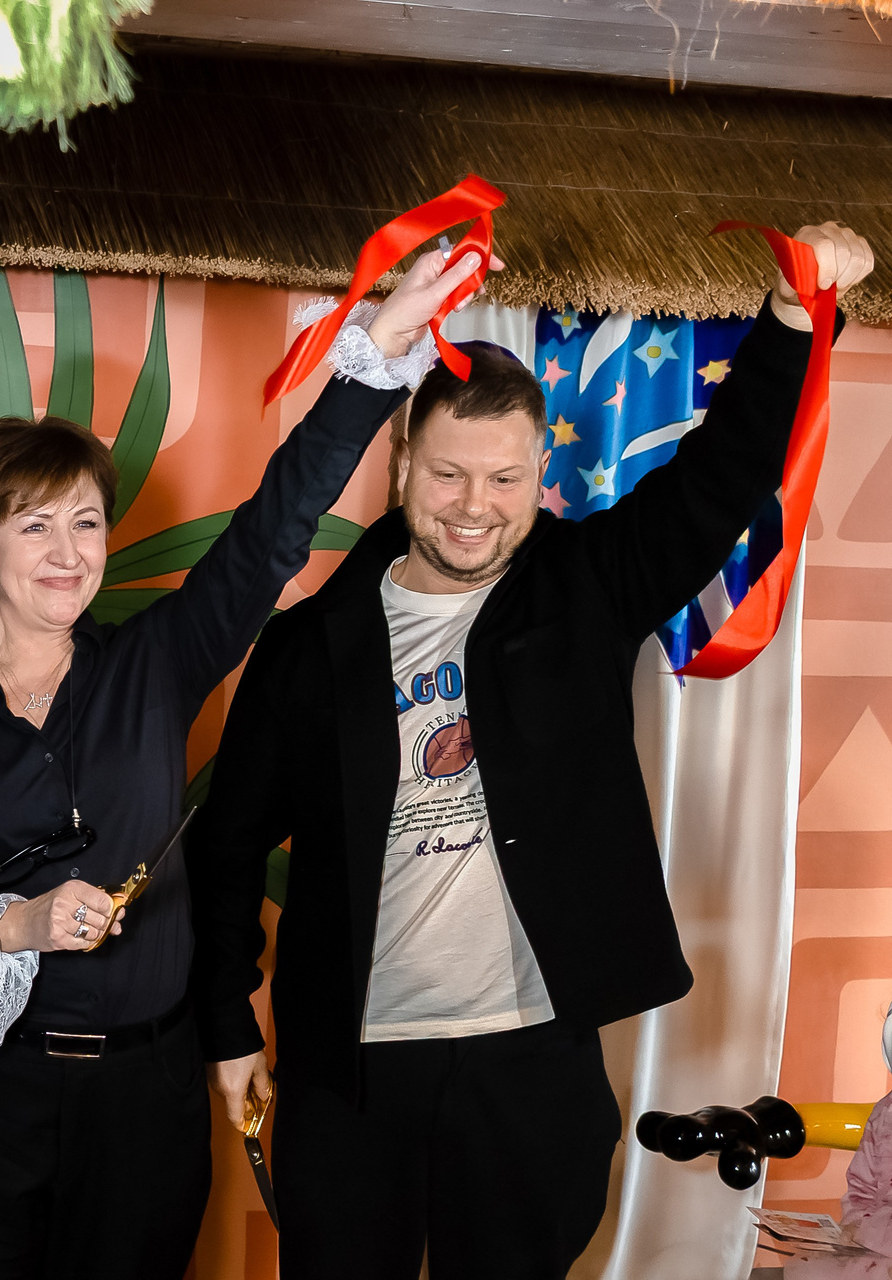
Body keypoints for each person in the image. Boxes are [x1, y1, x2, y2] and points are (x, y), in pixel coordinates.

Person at [189, 223, 874, 1280]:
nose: (475, 507)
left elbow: (721, 477)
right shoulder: (308, 645)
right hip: (349, 1070)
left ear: (540, 468)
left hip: (530, 1064)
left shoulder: (587, 586)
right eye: (449, 475)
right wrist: (229, 1021)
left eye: (505, 478)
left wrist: (791, 316)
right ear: (402, 461)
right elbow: (226, 845)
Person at [0, 243, 495, 1279]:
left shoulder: (158, 660)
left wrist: (383, 341)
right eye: (35, 526)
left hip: (141, 1105)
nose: (69, 553)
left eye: (87, 522)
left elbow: (272, 532)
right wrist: (13, 925)